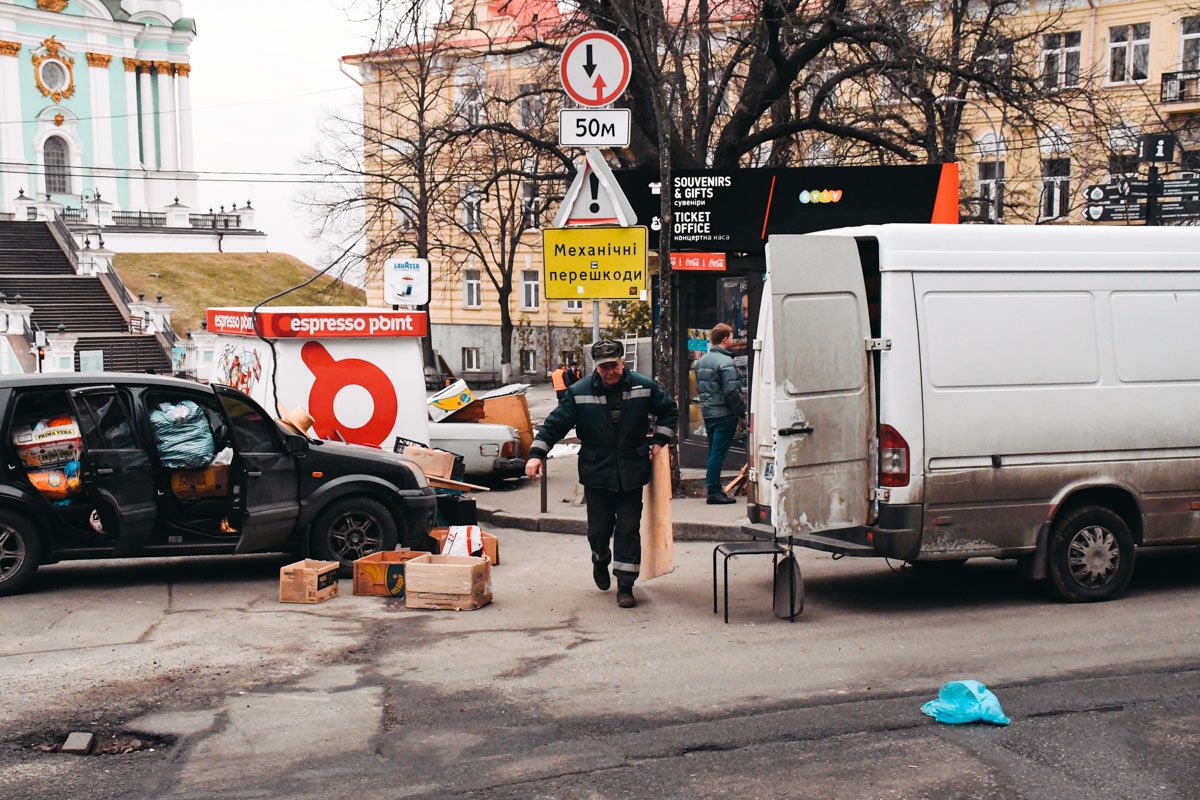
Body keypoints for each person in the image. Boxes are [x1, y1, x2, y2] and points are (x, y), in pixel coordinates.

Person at [525, 339, 678, 609]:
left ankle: (626, 585)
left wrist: (659, 441)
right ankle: (600, 558)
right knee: (598, 530)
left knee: (629, 529)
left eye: (614, 366)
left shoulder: (643, 386)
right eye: (604, 367)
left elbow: (669, 411)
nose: (610, 372)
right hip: (597, 473)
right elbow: (555, 424)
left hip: (632, 470)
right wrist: (537, 454)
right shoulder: (579, 391)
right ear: (596, 368)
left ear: (623, 362)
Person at [694, 323, 746, 504]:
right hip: (724, 414)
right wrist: (741, 411)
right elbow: (732, 391)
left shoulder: (701, 362)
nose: (733, 340)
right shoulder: (726, 362)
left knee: (713, 452)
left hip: (708, 413)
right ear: (725, 340)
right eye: (732, 337)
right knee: (718, 453)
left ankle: (713, 488)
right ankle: (714, 491)